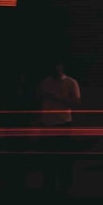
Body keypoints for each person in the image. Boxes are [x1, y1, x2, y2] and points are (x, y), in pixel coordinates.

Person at [36, 60, 80, 193]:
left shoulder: (71, 82)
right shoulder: (45, 83)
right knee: (48, 156)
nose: (55, 68)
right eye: (52, 66)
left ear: (62, 66)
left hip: (63, 123)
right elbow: (39, 101)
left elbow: (76, 103)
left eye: (57, 65)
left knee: (64, 156)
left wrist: (55, 98)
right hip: (47, 123)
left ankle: (65, 184)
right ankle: (49, 183)